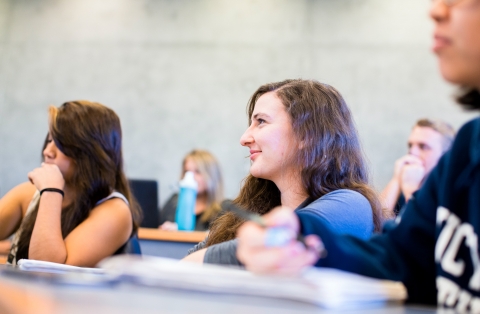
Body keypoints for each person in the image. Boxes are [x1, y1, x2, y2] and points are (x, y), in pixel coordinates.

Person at [236, 0, 480, 310]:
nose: (436, 11)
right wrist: (306, 240)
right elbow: (399, 262)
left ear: (308, 137)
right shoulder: (468, 147)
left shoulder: (349, 203)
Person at [183, 79, 385, 264]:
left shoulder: (350, 205)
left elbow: (276, 246)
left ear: (306, 135)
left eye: (261, 121)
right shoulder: (255, 208)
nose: (244, 138)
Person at [0, 100, 142, 267]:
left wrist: (51, 192)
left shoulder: (115, 211)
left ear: (89, 150)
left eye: (60, 144)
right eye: (49, 141)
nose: (47, 152)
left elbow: (46, 271)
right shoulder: (27, 194)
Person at [380, 119, 455, 215]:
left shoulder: (449, 191)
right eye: (410, 145)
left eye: (423, 146)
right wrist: (396, 180)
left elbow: (423, 227)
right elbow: (376, 222)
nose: (412, 152)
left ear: (445, 155)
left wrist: (411, 190)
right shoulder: (407, 180)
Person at [158, 149, 225, 231]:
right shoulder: (173, 202)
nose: (191, 177)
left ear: (212, 175)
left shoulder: (222, 211)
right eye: (187, 171)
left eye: (198, 171)